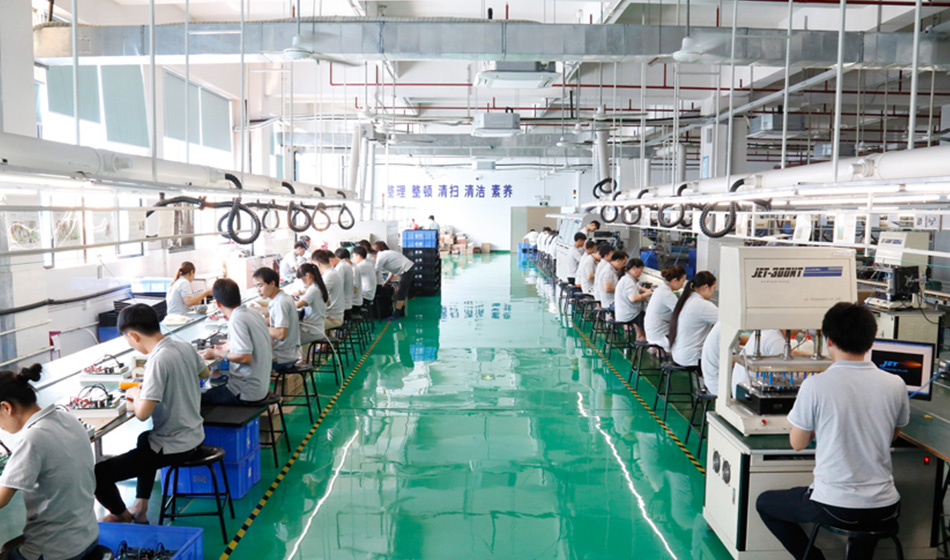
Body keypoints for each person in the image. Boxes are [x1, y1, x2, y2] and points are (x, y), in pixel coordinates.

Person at [757, 303, 910, 560]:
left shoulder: (816, 385)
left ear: (829, 341)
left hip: (834, 506)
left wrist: (823, 427)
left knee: (765, 503)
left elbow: (797, 443)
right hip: (885, 507)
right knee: (865, 520)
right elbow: (892, 434)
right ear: (871, 340)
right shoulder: (896, 384)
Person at [95, 304, 206, 524]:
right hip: (194, 435)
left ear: (134, 336)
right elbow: (205, 372)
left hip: (176, 445)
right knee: (145, 439)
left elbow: (143, 414)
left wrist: (137, 393)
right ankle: (141, 506)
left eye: (127, 339)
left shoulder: (158, 359)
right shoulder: (182, 345)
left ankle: (123, 515)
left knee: (98, 474)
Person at [0, 364, 98, 560]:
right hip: (88, 537)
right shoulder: (67, 417)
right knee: (8, 546)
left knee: (6, 551)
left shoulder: (32, 439)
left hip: (56, 551)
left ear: (5, 407)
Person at [200, 278, 272, 404]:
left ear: (217, 303)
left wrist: (216, 353)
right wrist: (232, 346)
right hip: (261, 386)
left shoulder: (237, 319)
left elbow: (245, 358)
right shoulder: (253, 314)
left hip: (245, 392)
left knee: (197, 400)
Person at [253, 267, 300, 373]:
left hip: (282, 358)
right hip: (289, 353)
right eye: (256, 287)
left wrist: (258, 327)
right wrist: (256, 321)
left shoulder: (280, 303)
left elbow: (280, 334)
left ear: (272, 283)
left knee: (245, 359)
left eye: (260, 285)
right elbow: (275, 320)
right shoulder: (283, 297)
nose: (258, 290)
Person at [668, 271, 718, 367]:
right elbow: (727, 323)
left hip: (678, 355)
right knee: (727, 361)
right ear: (706, 287)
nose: (713, 292)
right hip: (691, 358)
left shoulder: (687, 299)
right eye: (713, 288)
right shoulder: (702, 305)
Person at [643, 265, 687, 352]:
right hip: (660, 336)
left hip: (652, 333)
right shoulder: (667, 294)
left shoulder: (660, 289)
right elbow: (682, 313)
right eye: (682, 281)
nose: (682, 284)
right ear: (675, 280)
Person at [373, 241, 416, 321]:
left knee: (401, 292)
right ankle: (402, 312)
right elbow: (392, 271)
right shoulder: (387, 254)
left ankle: (396, 315)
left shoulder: (381, 256)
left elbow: (375, 271)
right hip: (408, 269)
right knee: (403, 291)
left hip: (407, 270)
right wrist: (386, 281)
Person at [615, 259, 652, 340]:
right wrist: (646, 294)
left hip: (626, 312)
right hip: (629, 314)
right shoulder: (628, 281)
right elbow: (633, 298)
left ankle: (640, 336)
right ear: (634, 268)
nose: (641, 273)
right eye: (641, 270)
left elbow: (638, 288)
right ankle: (644, 339)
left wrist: (649, 291)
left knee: (643, 314)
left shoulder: (628, 278)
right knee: (650, 320)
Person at [295, 263, 329, 350]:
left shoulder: (313, 289)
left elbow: (297, 305)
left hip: (313, 331)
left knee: (287, 340)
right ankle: (306, 357)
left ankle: (299, 357)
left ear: (307, 275)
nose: (302, 282)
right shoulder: (319, 287)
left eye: (301, 279)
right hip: (316, 328)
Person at [312, 250, 345, 330]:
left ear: (317, 264)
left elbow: (315, 293)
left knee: (304, 326)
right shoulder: (333, 272)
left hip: (333, 318)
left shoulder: (329, 275)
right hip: (333, 315)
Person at [334, 248, 360, 318]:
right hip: (349, 301)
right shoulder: (350, 266)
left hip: (352, 303)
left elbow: (355, 289)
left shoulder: (345, 267)